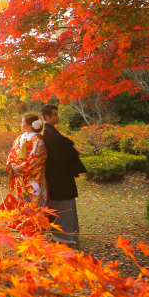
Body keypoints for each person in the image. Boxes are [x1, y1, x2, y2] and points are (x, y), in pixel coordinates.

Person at [41, 104, 86, 245]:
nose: (57, 116)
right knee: (62, 203)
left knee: (63, 203)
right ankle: (63, 236)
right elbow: (61, 153)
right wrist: (70, 146)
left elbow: (65, 147)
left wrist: (69, 146)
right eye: (54, 114)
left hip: (59, 174)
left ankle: (66, 234)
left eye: (57, 113)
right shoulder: (49, 133)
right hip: (58, 175)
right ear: (46, 116)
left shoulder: (51, 132)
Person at [1, 114, 47, 209]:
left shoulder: (38, 139)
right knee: (20, 202)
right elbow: (13, 152)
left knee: (34, 203)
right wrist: (12, 163)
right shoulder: (20, 137)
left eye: (23, 122)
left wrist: (22, 166)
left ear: (30, 125)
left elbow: (39, 156)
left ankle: (34, 223)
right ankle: (22, 222)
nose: (21, 124)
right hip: (19, 176)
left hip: (32, 176)